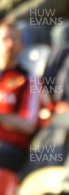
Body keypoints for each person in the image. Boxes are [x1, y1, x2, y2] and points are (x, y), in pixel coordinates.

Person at [0, 22, 39, 173]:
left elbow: (29, 125)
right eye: (4, 39)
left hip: (10, 148)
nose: (9, 44)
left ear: (22, 46)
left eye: (14, 39)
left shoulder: (30, 79)